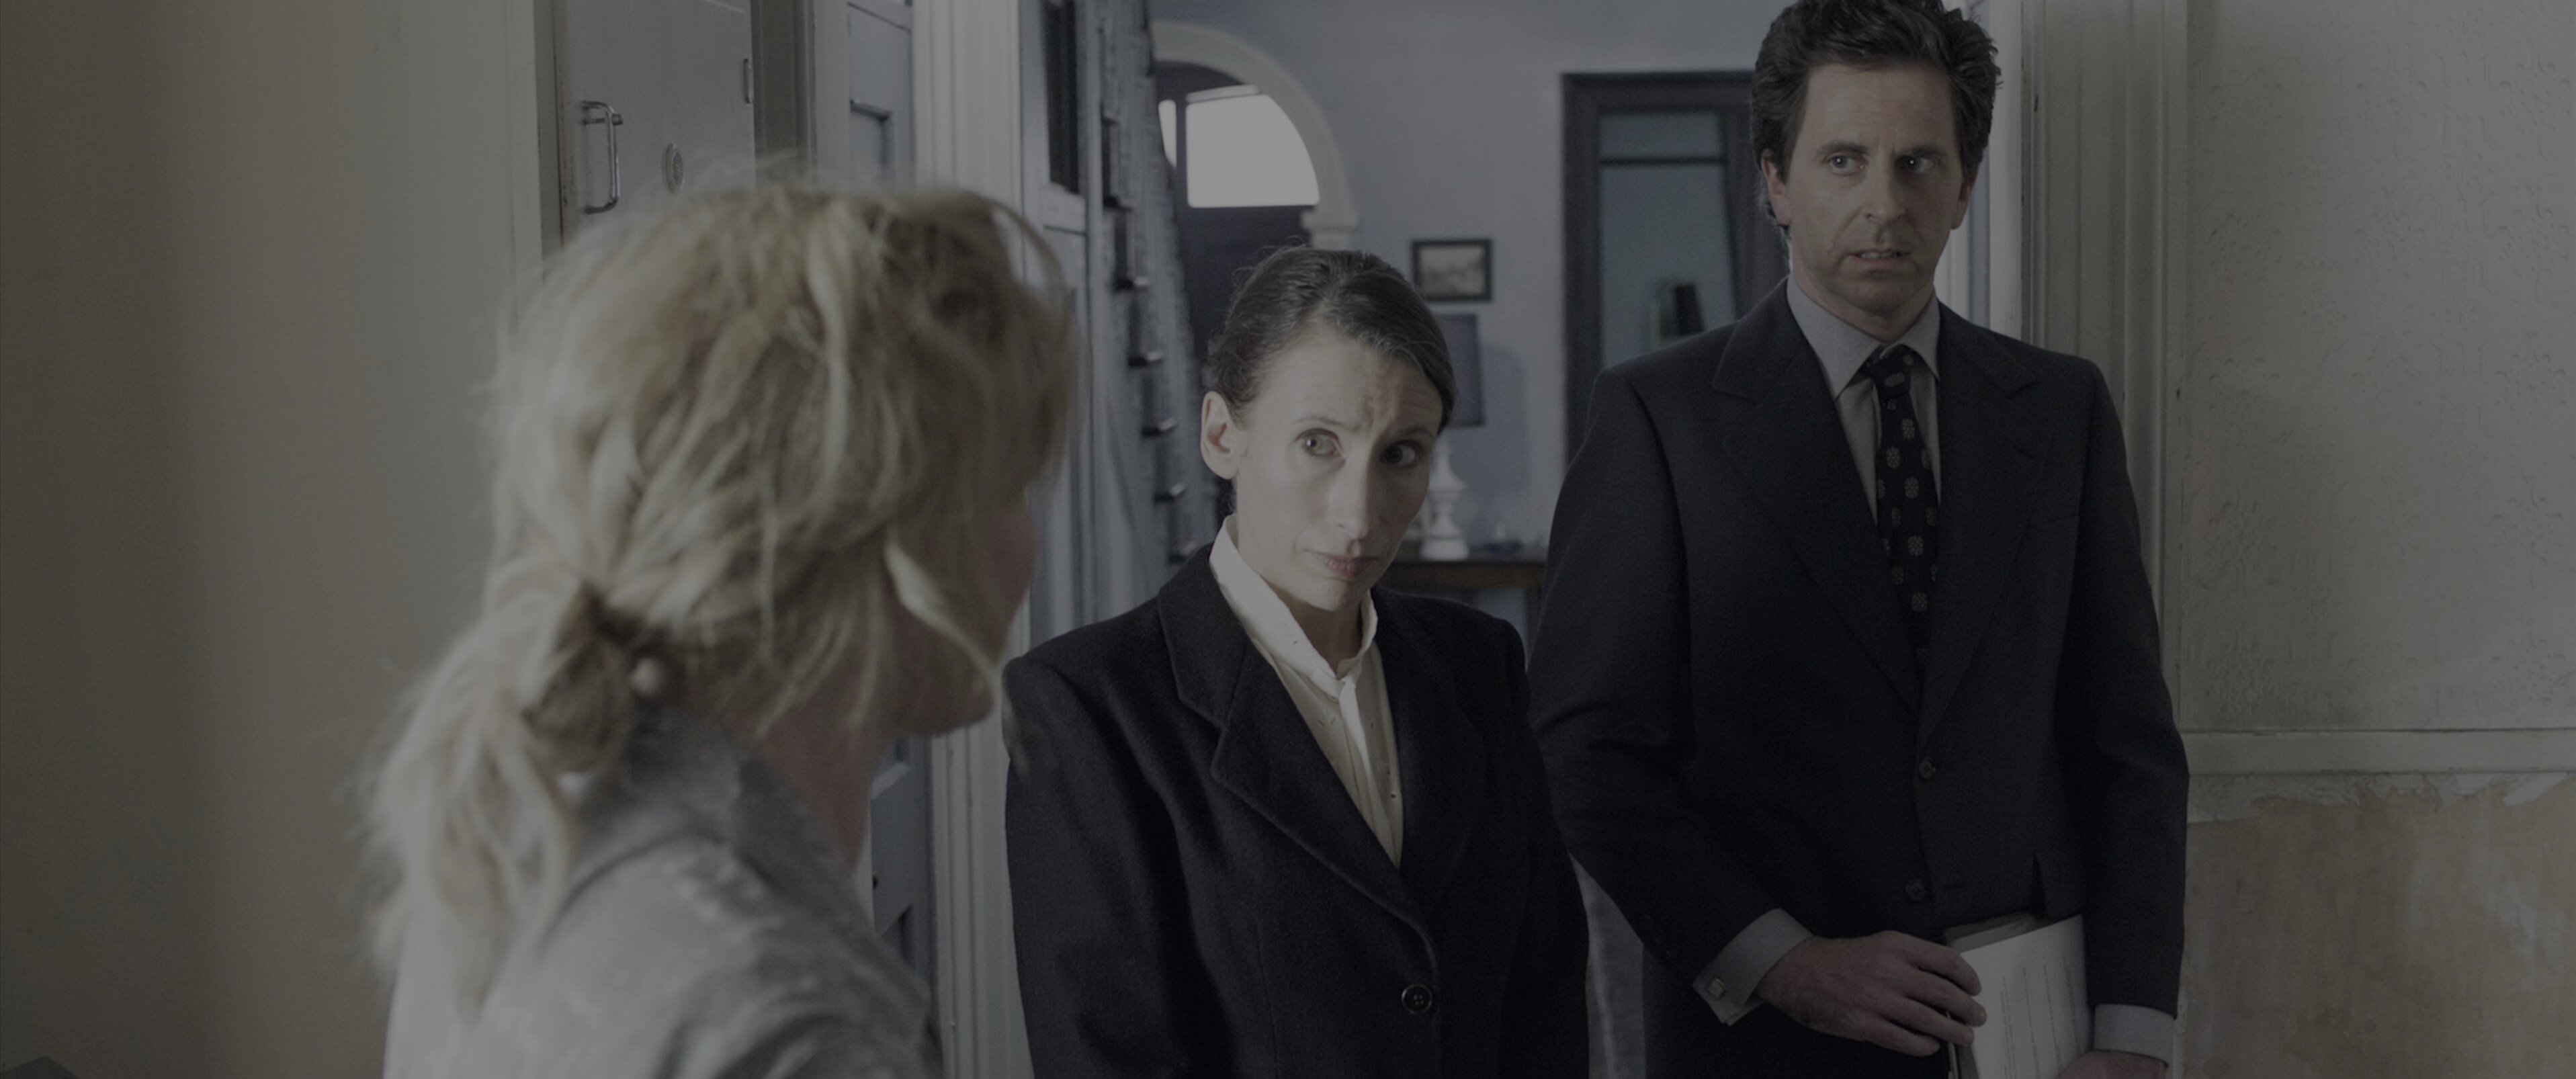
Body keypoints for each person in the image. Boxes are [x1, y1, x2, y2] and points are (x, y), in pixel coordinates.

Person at [1529, 1, 2188, 1076]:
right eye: (1843, 160)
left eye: (1918, 162)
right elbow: (1586, 751)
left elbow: (2127, 750)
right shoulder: (1658, 417)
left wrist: (2131, 1033)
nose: (1884, 203)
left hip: (2031, 1039)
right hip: (1765, 1041)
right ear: (1775, 182)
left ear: (1963, 188)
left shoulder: (2060, 411)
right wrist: (1783, 961)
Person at [366, 185, 1075, 1078]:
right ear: (890, 524)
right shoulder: (792, 1027)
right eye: (1013, 484)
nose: (1027, 539)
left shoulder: (514, 835)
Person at [1004, 247, 1590, 1078]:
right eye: (1319, 443)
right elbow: (1106, 1057)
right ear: (1221, 435)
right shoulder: (1088, 708)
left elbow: (1544, 989)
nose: (1361, 514)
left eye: (1401, 453)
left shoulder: (1478, 663)